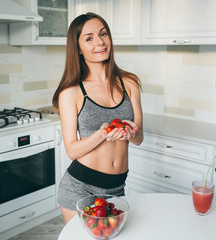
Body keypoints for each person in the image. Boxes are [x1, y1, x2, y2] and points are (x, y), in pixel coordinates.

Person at [52, 12, 143, 224]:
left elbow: (139, 138)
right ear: (78, 49)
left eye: (103, 34)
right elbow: (72, 149)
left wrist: (131, 132)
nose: (100, 42)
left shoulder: (129, 83)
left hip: (117, 188)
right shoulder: (71, 92)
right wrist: (102, 134)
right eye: (89, 38)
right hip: (80, 188)